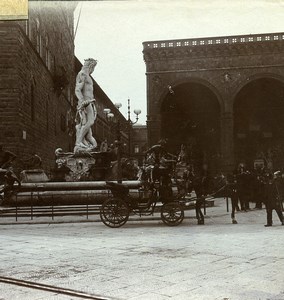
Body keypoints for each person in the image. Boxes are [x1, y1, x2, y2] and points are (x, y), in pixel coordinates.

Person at [74, 58, 98, 152]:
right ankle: (79, 142)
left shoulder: (87, 75)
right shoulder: (82, 74)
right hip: (86, 102)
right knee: (90, 122)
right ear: (91, 66)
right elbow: (77, 89)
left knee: (87, 125)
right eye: (94, 67)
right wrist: (82, 101)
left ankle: (85, 143)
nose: (93, 70)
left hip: (90, 101)